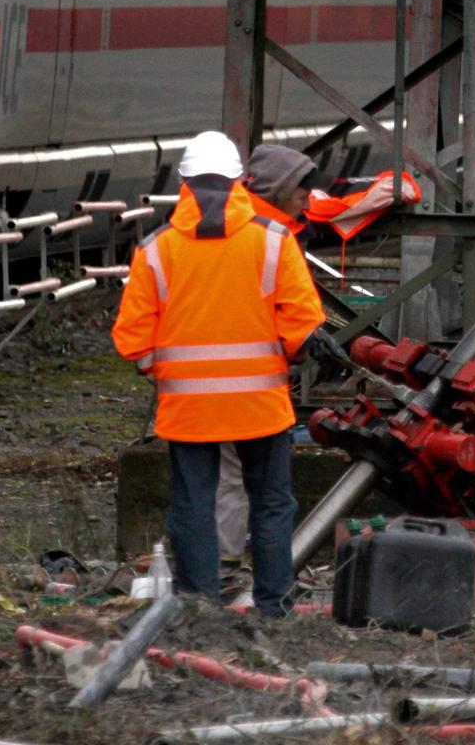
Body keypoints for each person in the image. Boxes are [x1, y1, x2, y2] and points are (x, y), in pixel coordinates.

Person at [112, 131, 329, 616]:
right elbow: (301, 326)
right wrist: (283, 359)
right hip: (261, 407)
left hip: (188, 410)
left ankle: (200, 605)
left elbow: (130, 337)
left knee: (194, 506)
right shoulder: (273, 241)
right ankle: (274, 606)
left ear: (184, 182)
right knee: (272, 505)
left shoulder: (154, 250)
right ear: (238, 180)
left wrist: (159, 370)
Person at [209, 144, 328, 575]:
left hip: (199, 386)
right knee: (269, 494)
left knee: (218, 479)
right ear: (277, 187)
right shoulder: (273, 237)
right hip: (255, 390)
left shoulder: (219, 223)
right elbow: (297, 321)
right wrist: (308, 348)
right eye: (301, 186)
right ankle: (269, 587)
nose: (308, 196)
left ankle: (217, 566)